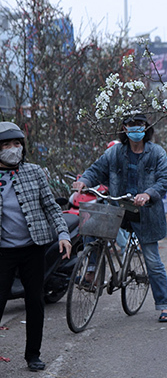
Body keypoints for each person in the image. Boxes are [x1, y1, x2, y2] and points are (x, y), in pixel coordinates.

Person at [72, 113, 167, 323]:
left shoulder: (156, 153)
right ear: (124, 128)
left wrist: (148, 194)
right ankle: (91, 269)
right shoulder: (115, 152)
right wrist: (83, 181)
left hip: (144, 212)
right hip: (117, 206)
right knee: (91, 224)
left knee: (153, 261)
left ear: (146, 128)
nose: (135, 129)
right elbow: (96, 170)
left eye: (139, 125)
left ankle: (165, 305)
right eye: (131, 125)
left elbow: (164, 179)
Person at [0, 122, 72, 371]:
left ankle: (33, 355)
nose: (13, 149)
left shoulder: (34, 172)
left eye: (17, 144)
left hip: (33, 248)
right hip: (4, 252)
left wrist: (63, 233)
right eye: (6, 145)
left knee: (34, 301)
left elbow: (52, 206)